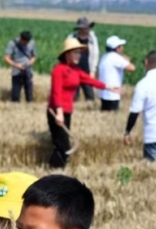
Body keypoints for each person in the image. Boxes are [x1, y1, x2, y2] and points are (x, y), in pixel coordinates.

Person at [48, 38, 118, 169]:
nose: (78, 55)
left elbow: (89, 80)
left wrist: (107, 87)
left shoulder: (76, 70)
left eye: (79, 53)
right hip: (56, 111)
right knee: (62, 145)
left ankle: (56, 169)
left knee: (63, 143)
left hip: (67, 111)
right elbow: (56, 92)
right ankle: (54, 170)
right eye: (75, 52)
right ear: (67, 54)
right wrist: (59, 112)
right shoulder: (59, 70)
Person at [98, 35, 136, 112]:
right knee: (112, 112)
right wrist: (126, 60)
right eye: (121, 46)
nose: (122, 48)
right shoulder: (116, 58)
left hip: (103, 91)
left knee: (105, 112)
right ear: (117, 48)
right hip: (113, 92)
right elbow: (132, 68)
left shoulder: (104, 56)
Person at [68, 17, 100, 103]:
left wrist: (93, 70)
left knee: (89, 93)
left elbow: (95, 55)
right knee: (73, 93)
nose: (88, 29)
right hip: (73, 69)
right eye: (86, 27)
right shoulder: (72, 38)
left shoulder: (92, 39)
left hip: (87, 69)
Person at [4, 31, 37, 103]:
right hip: (17, 72)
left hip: (28, 71)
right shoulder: (12, 43)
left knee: (29, 95)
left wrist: (29, 63)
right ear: (21, 38)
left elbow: (34, 56)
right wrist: (16, 65)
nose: (26, 43)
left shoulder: (32, 43)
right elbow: (6, 58)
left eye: (28, 42)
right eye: (25, 42)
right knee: (15, 95)